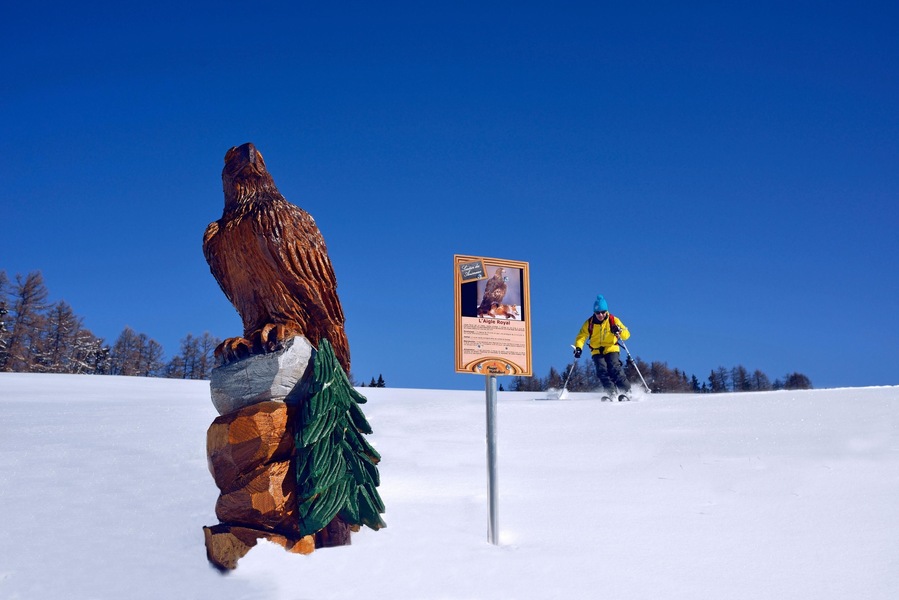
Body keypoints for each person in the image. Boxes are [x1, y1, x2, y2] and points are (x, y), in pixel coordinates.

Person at [573, 294, 632, 400]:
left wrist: (618, 330)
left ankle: (627, 392)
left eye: (603, 312)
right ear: (594, 312)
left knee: (614, 368)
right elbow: (581, 336)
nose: (600, 315)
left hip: (611, 347)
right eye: (597, 312)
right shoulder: (589, 323)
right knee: (602, 371)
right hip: (596, 350)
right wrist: (578, 348)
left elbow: (627, 335)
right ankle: (612, 393)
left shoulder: (613, 320)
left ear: (606, 311)